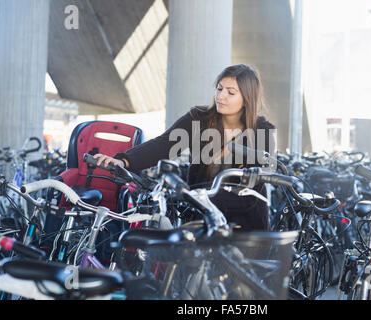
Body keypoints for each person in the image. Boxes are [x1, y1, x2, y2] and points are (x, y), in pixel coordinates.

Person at [94, 64, 276, 231]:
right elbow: (164, 144)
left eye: (230, 92)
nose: (220, 96)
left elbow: (252, 186)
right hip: (201, 219)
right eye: (219, 89)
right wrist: (125, 160)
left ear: (247, 98)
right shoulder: (199, 119)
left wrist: (199, 197)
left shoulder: (262, 131)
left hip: (246, 225)